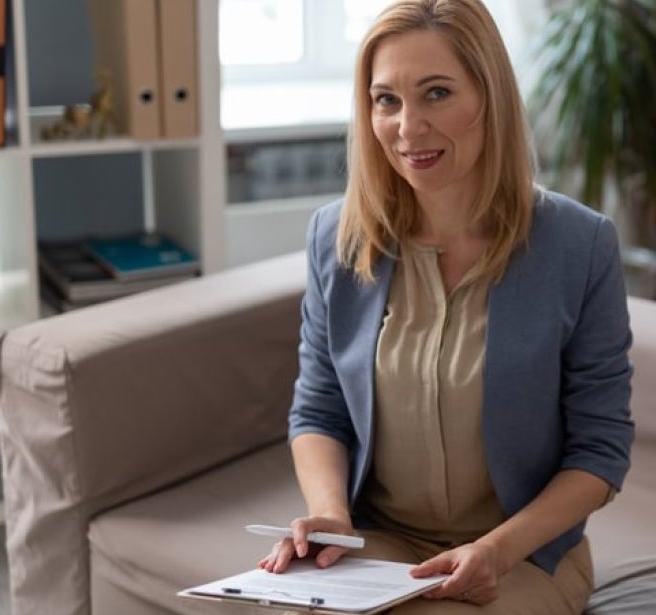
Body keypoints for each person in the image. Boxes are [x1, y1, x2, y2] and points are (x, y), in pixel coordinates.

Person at [257, 0, 634, 612]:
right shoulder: (336, 237)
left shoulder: (579, 244)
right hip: (376, 542)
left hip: (519, 553)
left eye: (436, 93)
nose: (408, 128)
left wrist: (496, 551)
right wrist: (329, 518)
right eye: (387, 100)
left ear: (491, 99)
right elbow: (320, 409)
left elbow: (600, 451)